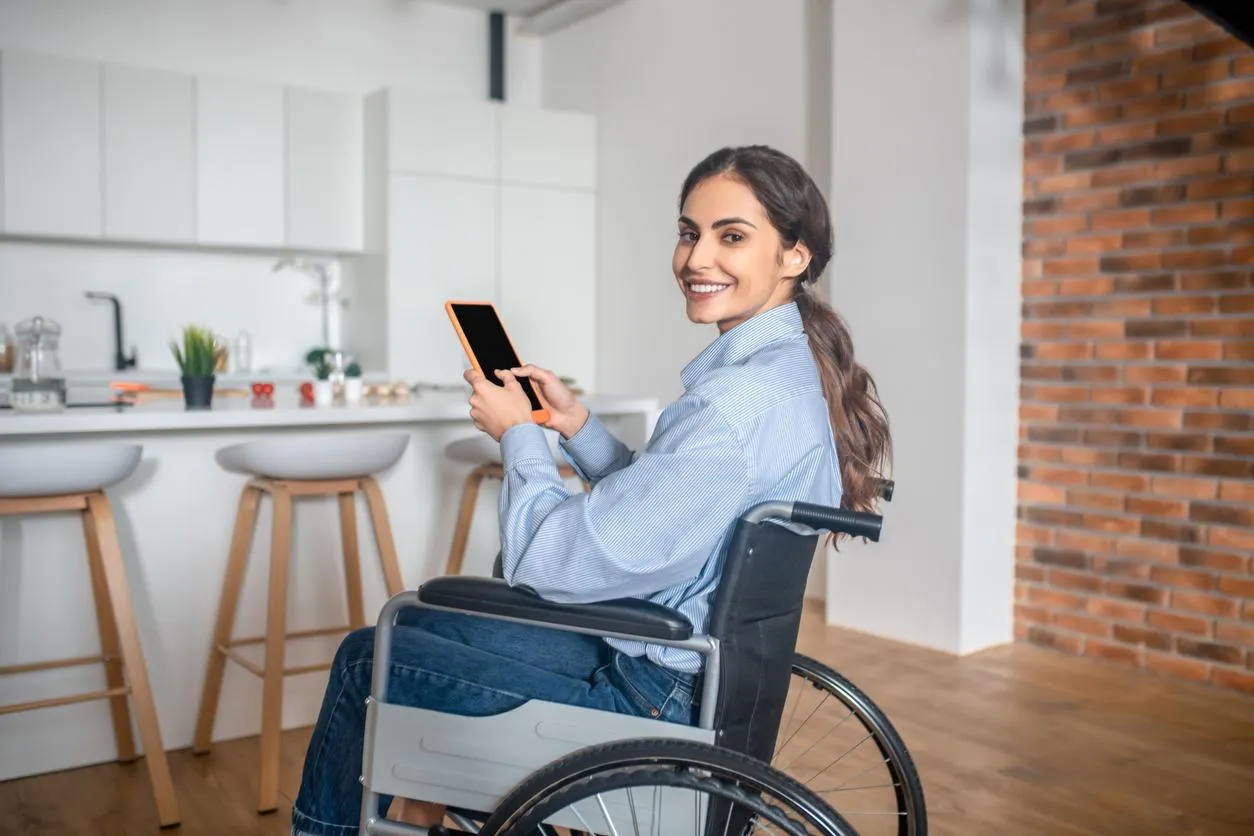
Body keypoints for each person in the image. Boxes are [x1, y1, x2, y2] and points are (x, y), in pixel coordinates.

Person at [290, 144, 891, 835]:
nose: (697, 259)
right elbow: (673, 507)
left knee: (373, 651)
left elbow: (551, 560)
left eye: (731, 236)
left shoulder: (732, 409)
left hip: (647, 698)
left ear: (795, 255)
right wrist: (575, 425)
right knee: (424, 627)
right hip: (692, 673)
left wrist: (520, 436)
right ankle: (437, 804)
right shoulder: (788, 373)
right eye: (689, 232)